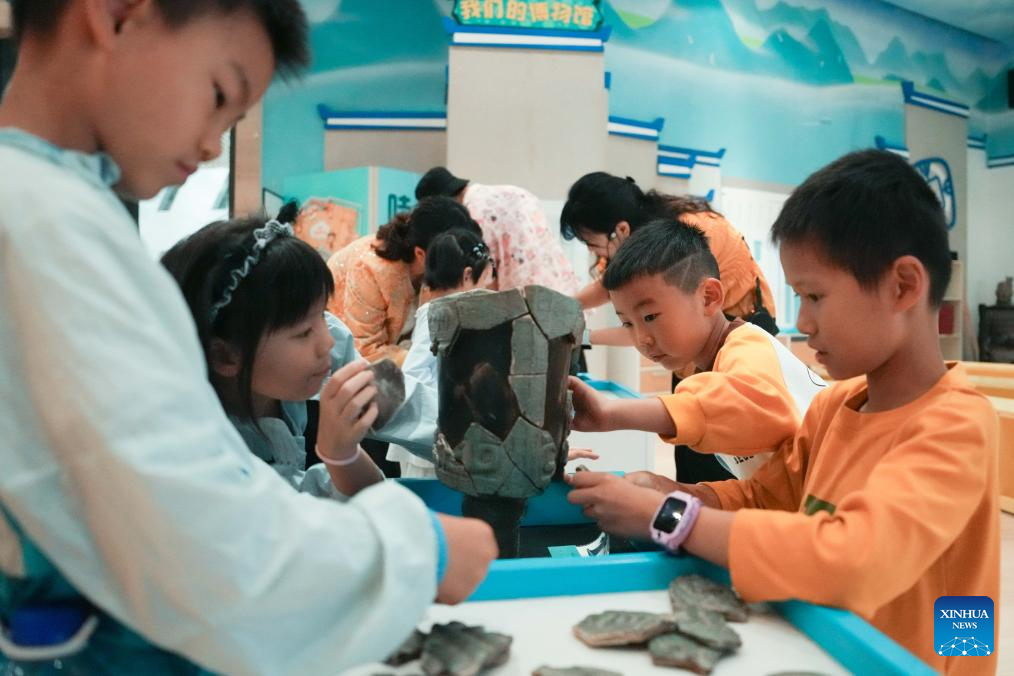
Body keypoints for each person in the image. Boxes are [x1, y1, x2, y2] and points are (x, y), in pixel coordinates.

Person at [0, 1, 496, 673]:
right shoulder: (46, 230)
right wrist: (416, 550)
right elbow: (206, 547)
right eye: (218, 94)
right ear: (117, 14)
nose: (212, 145)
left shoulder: (56, 215)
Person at [566, 150, 999, 675]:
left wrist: (670, 519)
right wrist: (675, 493)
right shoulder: (835, 406)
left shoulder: (957, 423)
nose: (804, 323)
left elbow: (853, 560)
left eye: (815, 296)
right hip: (833, 645)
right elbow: (765, 496)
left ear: (903, 286)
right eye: (798, 297)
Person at [567, 218, 824, 481]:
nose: (642, 339)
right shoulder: (713, 365)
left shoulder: (748, 347)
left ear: (708, 297)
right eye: (627, 324)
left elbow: (742, 402)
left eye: (650, 317)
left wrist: (612, 413)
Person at [161, 206, 387, 498]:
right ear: (225, 356)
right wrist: (337, 455)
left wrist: (342, 454)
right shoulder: (205, 455)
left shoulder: (280, 385)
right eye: (303, 333)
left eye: (323, 315)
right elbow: (289, 510)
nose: (328, 342)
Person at [560, 171, 777, 333]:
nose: (591, 250)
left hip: (741, 333)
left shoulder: (684, 241)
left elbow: (655, 324)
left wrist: (585, 337)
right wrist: (562, 307)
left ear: (622, 229)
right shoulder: (642, 241)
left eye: (591, 243)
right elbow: (607, 288)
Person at [386, 228, 497, 478]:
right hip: (428, 436)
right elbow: (413, 372)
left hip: (442, 432)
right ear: (467, 275)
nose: (487, 288)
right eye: (484, 281)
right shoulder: (437, 313)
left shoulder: (452, 313)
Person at [327, 196, 481, 365]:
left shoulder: (434, 264)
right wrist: (426, 362)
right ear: (420, 254)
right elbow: (365, 349)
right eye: (453, 256)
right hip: (340, 358)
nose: (460, 265)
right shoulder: (369, 270)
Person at [415, 166, 581, 296]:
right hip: (557, 283)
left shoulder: (474, 214)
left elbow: (485, 271)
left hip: (522, 293)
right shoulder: (513, 191)